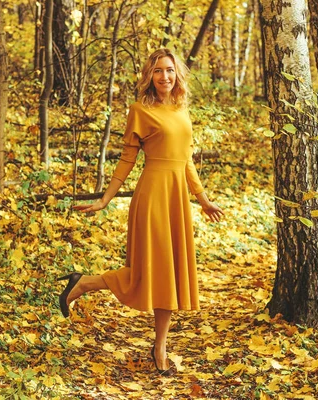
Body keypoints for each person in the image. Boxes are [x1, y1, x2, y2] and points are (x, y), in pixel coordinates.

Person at [58, 48, 224, 376]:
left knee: (170, 276)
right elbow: (127, 160)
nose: (165, 76)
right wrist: (106, 198)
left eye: (170, 71)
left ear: (177, 75)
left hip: (178, 198)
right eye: (159, 71)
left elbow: (186, 160)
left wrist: (203, 200)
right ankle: (86, 283)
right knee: (148, 271)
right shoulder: (140, 111)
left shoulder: (182, 110)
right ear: (150, 75)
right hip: (152, 196)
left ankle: (159, 346)